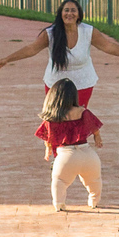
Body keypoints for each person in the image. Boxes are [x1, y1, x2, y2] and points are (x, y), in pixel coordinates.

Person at [0, 0, 119, 107]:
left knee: (78, 119)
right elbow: (31, 49)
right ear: (61, 13)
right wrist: (7, 59)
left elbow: (108, 46)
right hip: (56, 82)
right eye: (66, 10)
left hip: (83, 81)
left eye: (73, 10)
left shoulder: (88, 31)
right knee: (56, 119)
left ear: (79, 14)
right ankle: (58, 155)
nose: (69, 13)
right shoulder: (50, 33)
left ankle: (77, 155)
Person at [35, 78, 103, 211]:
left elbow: (48, 138)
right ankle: (94, 201)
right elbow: (94, 127)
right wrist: (97, 137)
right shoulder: (82, 112)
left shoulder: (52, 117)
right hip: (88, 154)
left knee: (59, 181)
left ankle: (59, 204)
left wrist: (48, 150)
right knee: (94, 180)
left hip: (66, 156)